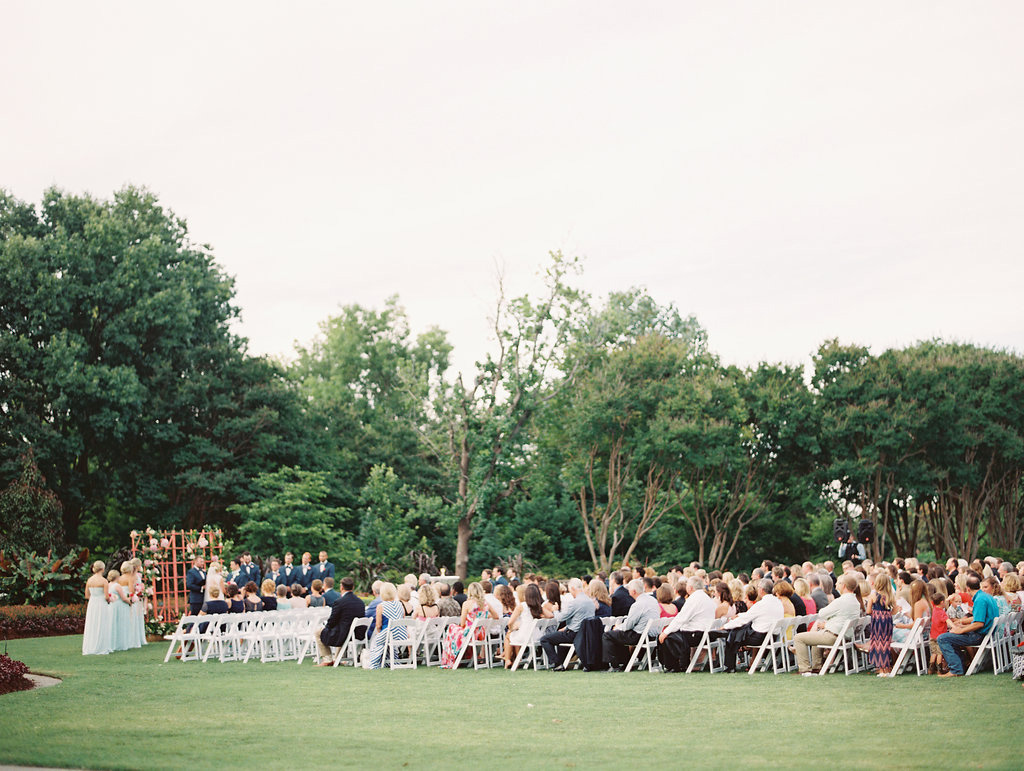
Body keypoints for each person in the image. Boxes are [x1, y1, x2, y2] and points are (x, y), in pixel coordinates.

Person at [793, 574, 862, 676]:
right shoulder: (855, 601)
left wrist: (827, 622)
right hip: (844, 636)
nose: (836, 585)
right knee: (816, 635)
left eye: (838, 583)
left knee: (798, 638)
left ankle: (804, 669)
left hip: (833, 636)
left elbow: (822, 613)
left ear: (843, 586)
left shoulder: (841, 601)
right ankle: (817, 667)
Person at [938, 573, 1000, 677]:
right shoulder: (986, 596)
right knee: (950, 636)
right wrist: (962, 624)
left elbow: (979, 623)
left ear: (967, 589)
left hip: (979, 635)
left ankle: (956, 670)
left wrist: (961, 630)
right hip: (987, 634)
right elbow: (979, 618)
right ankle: (960, 666)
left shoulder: (980, 599)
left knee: (942, 638)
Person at [721, 579, 784, 673]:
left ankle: (730, 666)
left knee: (733, 633)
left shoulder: (761, 604)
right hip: (773, 636)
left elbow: (745, 619)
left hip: (760, 637)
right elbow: (750, 615)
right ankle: (731, 666)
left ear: (761, 590)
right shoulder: (778, 602)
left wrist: (725, 626)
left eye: (758, 587)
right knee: (737, 631)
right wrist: (740, 615)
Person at [658, 577, 717, 672]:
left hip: (696, 634)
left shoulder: (694, 599)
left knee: (668, 636)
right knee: (672, 634)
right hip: (705, 633)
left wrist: (666, 631)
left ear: (690, 587)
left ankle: (673, 666)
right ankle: (680, 663)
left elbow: (682, 618)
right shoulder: (706, 597)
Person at [601, 578, 660, 671]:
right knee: (619, 634)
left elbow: (628, 625)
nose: (628, 591)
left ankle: (614, 665)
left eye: (629, 589)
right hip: (652, 635)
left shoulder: (638, 604)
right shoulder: (652, 600)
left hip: (640, 635)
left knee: (607, 635)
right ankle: (625, 662)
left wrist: (617, 627)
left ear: (633, 591)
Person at [541, 578, 597, 671]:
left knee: (545, 639)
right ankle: (561, 662)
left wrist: (555, 610)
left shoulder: (575, 603)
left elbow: (560, 618)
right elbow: (580, 619)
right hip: (586, 634)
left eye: (570, 589)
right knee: (558, 635)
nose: (570, 592)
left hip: (574, 633)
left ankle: (557, 663)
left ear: (573, 588)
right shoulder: (590, 601)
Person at [441, 582, 498, 668]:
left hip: (470, 633)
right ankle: (461, 656)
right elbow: (496, 616)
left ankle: (450, 658)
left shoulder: (467, 604)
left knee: (451, 627)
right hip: (481, 634)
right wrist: (484, 616)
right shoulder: (485, 603)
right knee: (454, 628)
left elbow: (463, 623)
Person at [315, 577, 365, 666]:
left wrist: (327, 628)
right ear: (353, 587)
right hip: (357, 633)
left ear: (341, 587)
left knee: (318, 632)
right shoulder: (360, 602)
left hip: (344, 634)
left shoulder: (340, 602)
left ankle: (327, 659)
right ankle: (337, 658)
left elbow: (332, 620)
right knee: (340, 628)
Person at [503, 584, 552, 668]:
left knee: (509, 635)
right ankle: (518, 659)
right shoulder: (538, 607)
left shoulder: (522, 606)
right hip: (537, 636)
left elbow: (510, 622)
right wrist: (541, 616)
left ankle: (508, 660)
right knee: (515, 634)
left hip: (525, 636)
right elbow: (551, 615)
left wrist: (511, 629)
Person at [866, 572, 895, 676]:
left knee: (878, 644)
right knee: (886, 643)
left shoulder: (873, 595)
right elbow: (895, 610)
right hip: (887, 620)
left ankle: (882, 669)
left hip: (877, 621)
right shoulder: (890, 595)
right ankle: (887, 668)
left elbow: (868, 610)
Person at [82, 561, 112, 656]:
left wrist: (94, 599)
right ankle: (101, 647)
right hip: (101, 603)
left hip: (92, 604)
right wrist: (110, 600)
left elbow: (87, 595)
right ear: (102, 569)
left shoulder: (89, 580)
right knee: (101, 623)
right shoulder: (104, 581)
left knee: (92, 623)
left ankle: (91, 646)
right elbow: (107, 596)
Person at [107, 569, 136, 651]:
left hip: (112, 606)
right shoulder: (117, 586)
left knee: (112, 623)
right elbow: (123, 598)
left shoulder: (108, 585)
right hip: (120, 606)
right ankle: (121, 644)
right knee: (121, 624)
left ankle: (112, 643)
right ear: (117, 577)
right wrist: (130, 602)